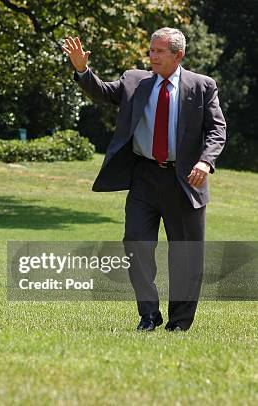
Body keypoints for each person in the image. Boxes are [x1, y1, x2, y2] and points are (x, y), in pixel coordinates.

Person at [62, 28, 226, 331]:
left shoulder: (203, 87)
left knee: (186, 256)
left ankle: (179, 323)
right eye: (151, 50)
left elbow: (217, 131)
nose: (152, 56)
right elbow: (103, 91)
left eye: (159, 51)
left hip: (185, 180)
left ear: (178, 55)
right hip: (145, 178)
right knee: (135, 244)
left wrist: (206, 161)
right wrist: (82, 69)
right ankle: (148, 314)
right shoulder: (135, 81)